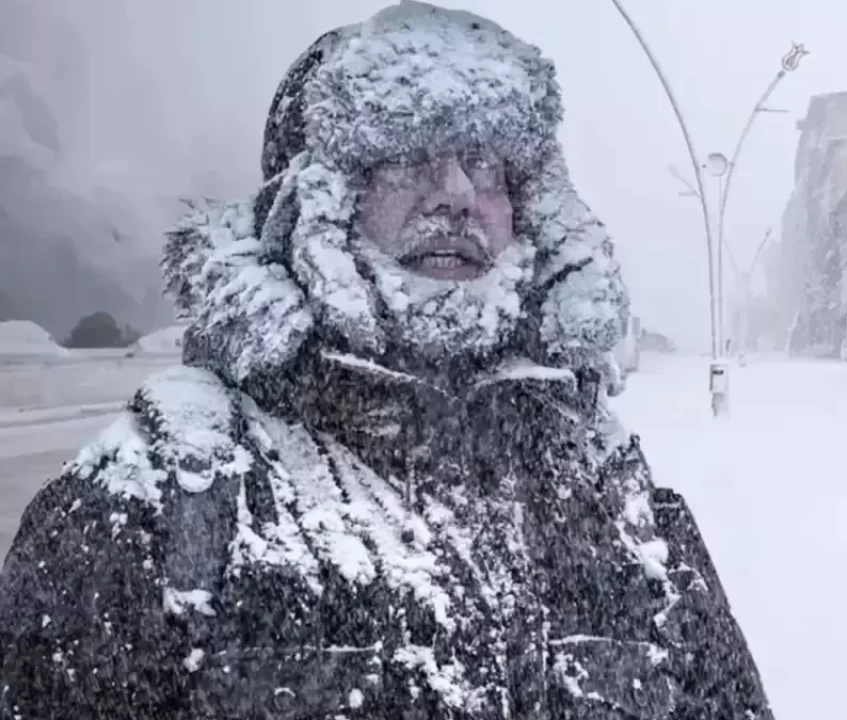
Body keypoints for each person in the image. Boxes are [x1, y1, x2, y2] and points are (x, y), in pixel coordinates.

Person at [0, 4, 775, 718]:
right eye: (405, 155)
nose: (459, 194)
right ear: (312, 201)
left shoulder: (612, 495)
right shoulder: (159, 503)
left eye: (488, 163)